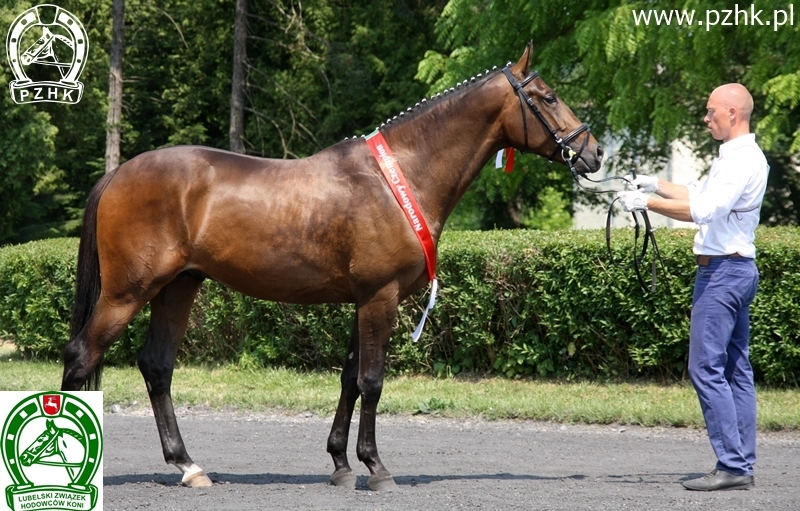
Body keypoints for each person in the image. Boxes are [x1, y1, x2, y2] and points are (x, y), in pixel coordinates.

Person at [616, 83, 769, 491]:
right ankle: (741, 463)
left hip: (721, 275)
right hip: (736, 271)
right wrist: (654, 185)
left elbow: (703, 210)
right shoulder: (738, 157)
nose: (706, 118)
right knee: (736, 369)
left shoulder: (740, 161)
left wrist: (643, 204)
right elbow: (700, 194)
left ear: (733, 114)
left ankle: (733, 465)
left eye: (710, 112)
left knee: (704, 367)